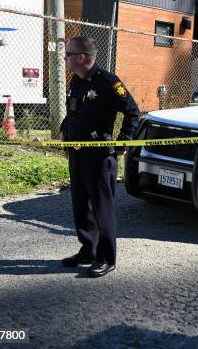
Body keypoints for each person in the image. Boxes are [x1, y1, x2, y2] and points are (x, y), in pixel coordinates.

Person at [60, 36, 140, 277]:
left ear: (81, 58)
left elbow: (133, 113)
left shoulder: (108, 82)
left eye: (68, 55)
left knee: (101, 209)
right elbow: (73, 112)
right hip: (77, 155)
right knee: (81, 206)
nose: (65, 59)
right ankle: (88, 249)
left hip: (98, 157)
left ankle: (106, 257)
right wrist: (65, 130)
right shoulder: (76, 81)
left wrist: (121, 144)